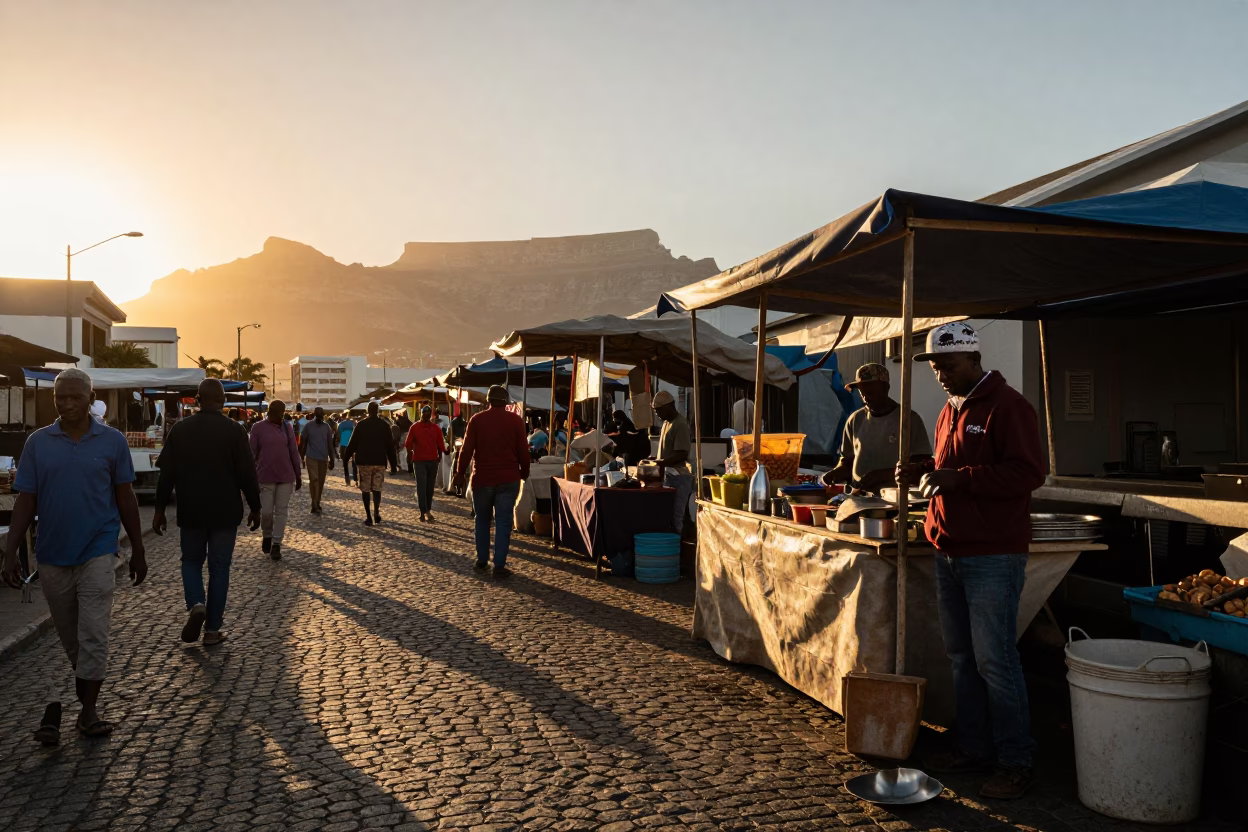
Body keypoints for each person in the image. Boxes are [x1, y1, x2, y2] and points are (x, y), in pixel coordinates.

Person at [896, 322, 1046, 800]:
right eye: (936, 366)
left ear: (974, 358)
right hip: (950, 549)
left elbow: (1028, 473)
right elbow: (952, 464)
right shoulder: (949, 410)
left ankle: (1016, 761)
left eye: (948, 365)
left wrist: (960, 478)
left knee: (995, 661)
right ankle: (974, 747)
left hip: (993, 554)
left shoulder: (1009, 406)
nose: (940, 374)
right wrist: (923, 469)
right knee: (962, 658)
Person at [1, 368, 147, 744]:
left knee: (94, 633)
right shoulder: (38, 442)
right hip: (51, 554)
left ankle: (89, 711)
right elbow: (25, 499)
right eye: (60, 398)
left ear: (89, 397)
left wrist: (138, 548)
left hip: (98, 550)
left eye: (74, 397)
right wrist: (11, 552)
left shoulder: (112, 442)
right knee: (72, 639)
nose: (66, 404)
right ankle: (82, 701)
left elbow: (125, 496)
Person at [153, 379, 262, 646]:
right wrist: (256, 507)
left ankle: (196, 604)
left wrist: (158, 510)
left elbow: (166, 474)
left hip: (191, 510)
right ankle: (212, 630)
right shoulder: (235, 431)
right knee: (219, 567)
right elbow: (247, 474)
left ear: (198, 400)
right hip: (225, 511)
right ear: (223, 401)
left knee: (190, 561)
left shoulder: (180, 430)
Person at [453, 385, 529, 577]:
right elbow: (523, 450)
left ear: (488, 400)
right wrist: (525, 471)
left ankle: (481, 561)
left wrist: (459, 473)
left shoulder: (477, 420)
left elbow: (466, 450)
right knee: (504, 522)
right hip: (509, 478)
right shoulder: (515, 421)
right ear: (506, 402)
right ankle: (500, 565)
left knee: (482, 520)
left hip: (483, 478)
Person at [822, 363, 932, 495]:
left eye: (871, 392)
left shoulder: (908, 419)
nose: (865, 397)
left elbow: (923, 466)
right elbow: (847, 461)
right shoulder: (855, 419)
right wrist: (835, 473)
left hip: (895, 499)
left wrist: (885, 475)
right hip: (859, 497)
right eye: (862, 393)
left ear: (886, 388)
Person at [249, 399, 303, 561]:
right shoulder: (258, 428)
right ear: (270, 412)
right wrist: (249, 475)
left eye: (282, 414)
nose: (280, 417)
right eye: (277, 414)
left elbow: (294, 451)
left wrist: (298, 474)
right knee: (266, 512)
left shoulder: (287, 428)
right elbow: (251, 452)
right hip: (265, 476)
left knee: (281, 512)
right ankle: (267, 534)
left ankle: (277, 544)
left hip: (286, 476)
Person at [343, 400, 398, 526]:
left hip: (364, 462)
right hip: (379, 462)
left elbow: (353, 444)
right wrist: (393, 465)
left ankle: (369, 516)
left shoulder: (361, 425)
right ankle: (376, 512)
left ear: (368, 411)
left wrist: (346, 458)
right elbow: (390, 447)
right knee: (377, 489)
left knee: (366, 490)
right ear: (377, 411)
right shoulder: (384, 425)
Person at [405, 405, 449, 523]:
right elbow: (408, 443)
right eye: (426, 413)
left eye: (428, 413)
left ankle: (426, 510)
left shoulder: (434, 428)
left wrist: (444, 451)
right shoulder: (416, 427)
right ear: (422, 414)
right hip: (421, 461)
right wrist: (410, 453)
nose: (427, 415)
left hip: (430, 460)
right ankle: (423, 511)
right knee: (423, 486)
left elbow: (440, 444)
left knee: (428, 487)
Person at [299, 406, 337, 514]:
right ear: (315, 415)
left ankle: (317, 501)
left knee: (320, 482)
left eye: (321, 415)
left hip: (323, 458)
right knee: (314, 480)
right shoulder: (308, 426)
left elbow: (330, 444)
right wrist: (302, 454)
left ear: (323, 415)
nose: (319, 417)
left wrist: (332, 459)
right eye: (318, 415)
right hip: (311, 457)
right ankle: (314, 503)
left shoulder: (327, 427)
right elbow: (303, 440)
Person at [651, 390, 691, 473]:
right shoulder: (666, 423)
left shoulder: (680, 424)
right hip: (666, 473)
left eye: (659, 410)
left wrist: (661, 463)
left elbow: (682, 454)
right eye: (655, 411)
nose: (657, 413)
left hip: (676, 475)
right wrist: (654, 460)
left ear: (670, 406)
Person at [337, 413, 357, 485]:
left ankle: (347, 479)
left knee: (345, 462)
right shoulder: (353, 424)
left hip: (343, 444)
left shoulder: (341, 424)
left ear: (343, 417)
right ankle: (356, 478)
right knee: (354, 462)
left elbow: (338, 435)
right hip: (353, 445)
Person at [394, 409, 414, 474]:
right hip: (409, 435)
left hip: (405, 435)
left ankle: (404, 468)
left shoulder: (399, 421)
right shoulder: (406, 420)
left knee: (402, 453)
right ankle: (406, 467)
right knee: (406, 453)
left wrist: (400, 445)